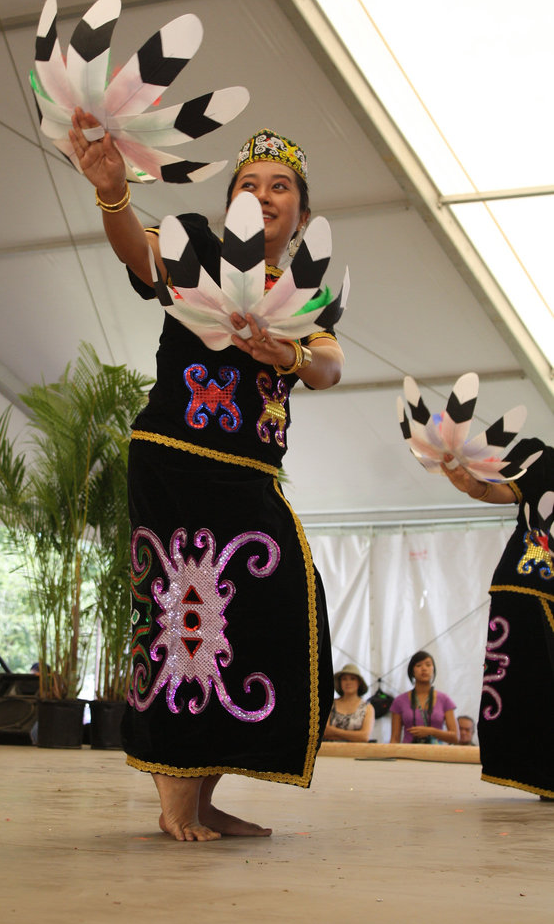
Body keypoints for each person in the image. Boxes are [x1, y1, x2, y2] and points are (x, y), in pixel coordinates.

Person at [69, 116, 344, 841]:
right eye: (249, 185)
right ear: (231, 206)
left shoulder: (306, 291)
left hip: (252, 472)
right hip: (177, 456)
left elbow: (328, 368)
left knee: (269, 612)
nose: (264, 194)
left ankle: (204, 787)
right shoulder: (198, 248)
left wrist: (283, 353)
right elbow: (139, 255)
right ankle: (176, 799)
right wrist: (112, 196)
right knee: (183, 612)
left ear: (302, 213)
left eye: (279, 186)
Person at [441, 442, 553, 798]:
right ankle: (544, 775)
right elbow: (497, 490)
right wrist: (471, 485)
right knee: (535, 681)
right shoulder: (542, 459)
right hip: (532, 579)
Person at [389, 651, 458, 744]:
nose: (424, 668)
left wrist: (431, 731)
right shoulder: (399, 701)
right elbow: (394, 739)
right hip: (408, 754)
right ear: (412, 671)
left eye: (428, 665)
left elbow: (455, 737)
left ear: (433, 669)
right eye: (418, 665)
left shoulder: (444, 699)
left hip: (436, 755)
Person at [323, 663, 374, 742]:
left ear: (359, 682)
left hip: (356, 753)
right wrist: (354, 735)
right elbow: (324, 732)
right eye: (344, 679)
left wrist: (334, 731)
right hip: (329, 752)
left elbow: (364, 736)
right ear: (340, 682)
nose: (348, 682)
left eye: (352, 678)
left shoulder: (367, 707)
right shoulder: (329, 704)